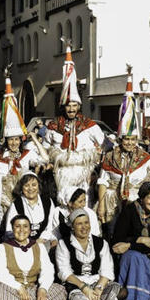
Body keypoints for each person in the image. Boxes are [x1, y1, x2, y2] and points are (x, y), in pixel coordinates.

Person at [43, 46, 104, 197]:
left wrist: (97, 161)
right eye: (68, 105)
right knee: (63, 202)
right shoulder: (53, 126)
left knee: (85, 204)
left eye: (74, 105)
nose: (71, 109)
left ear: (79, 106)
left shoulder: (89, 125)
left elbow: (105, 144)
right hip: (62, 173)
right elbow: (45, 148)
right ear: (63, 107)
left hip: (84, 173)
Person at [0, 214, 67, 300]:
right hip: (13, 290)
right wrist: (19, 287)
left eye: (25, 226)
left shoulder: (38, 247)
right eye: (17, 226)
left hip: (33, 289)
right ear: (12, 229)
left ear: (30, 229)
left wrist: (43, 289)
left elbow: (47, 269)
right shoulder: (2, 247)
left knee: (59, 289)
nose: (21, 230)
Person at [55, 209, 123, 300]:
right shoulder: (63, 244)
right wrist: (85, 288)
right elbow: (64, 272)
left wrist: (98, 289)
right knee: (76, 297)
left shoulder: (101, 243)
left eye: (86, 223)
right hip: (76, 285)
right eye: (79, 224)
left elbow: (106, 269)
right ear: (72, 227)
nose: (84, 227)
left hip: (97, 283)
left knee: (122, 292)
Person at [0, 73, 49, 211]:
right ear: (6, 141)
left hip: (23, 201)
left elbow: (45, 159)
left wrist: (35, 139)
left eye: (16, 139)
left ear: (21, 140)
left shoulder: (27, 155)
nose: (14, 143)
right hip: (3, 204)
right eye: (11, 140)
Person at [97, 130, 150, 236]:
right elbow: (103, 182)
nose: (130, 143)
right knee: (112, 231)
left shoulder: (146, 158)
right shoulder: (110, 157)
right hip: (113, 202)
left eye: (133, 139)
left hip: (135, 200)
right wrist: (101, 206)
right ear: (120, 139)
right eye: (126, 139)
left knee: (133, 232)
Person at [3, 171, 58, 246]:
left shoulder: (47, 202)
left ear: (38, 186)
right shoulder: (16, 204)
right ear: (21, 188)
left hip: (43, 240)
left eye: (34, 185)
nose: (30, 188)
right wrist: (27, 242)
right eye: (26, 185)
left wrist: (41, 239)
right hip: (22, 242)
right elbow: (9, 230)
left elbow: (50, 226)